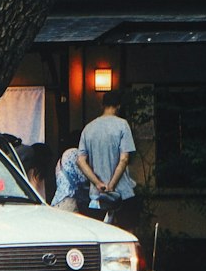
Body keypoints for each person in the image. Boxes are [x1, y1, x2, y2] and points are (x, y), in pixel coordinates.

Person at [77, 91, 139, 230]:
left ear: (102, 105)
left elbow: (80, 160)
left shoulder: (88, 128)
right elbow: (124, 159)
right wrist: (112, 185)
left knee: (99, 233)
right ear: (119, 106)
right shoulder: (122, 125)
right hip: (122, 193)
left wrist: (98, 183)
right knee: (126, 233)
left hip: (97, 195)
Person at [50, 132, 88, 211]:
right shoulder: (75, 154)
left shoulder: (61, 159)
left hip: (58, 199)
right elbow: (83, 179)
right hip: (69, 201)